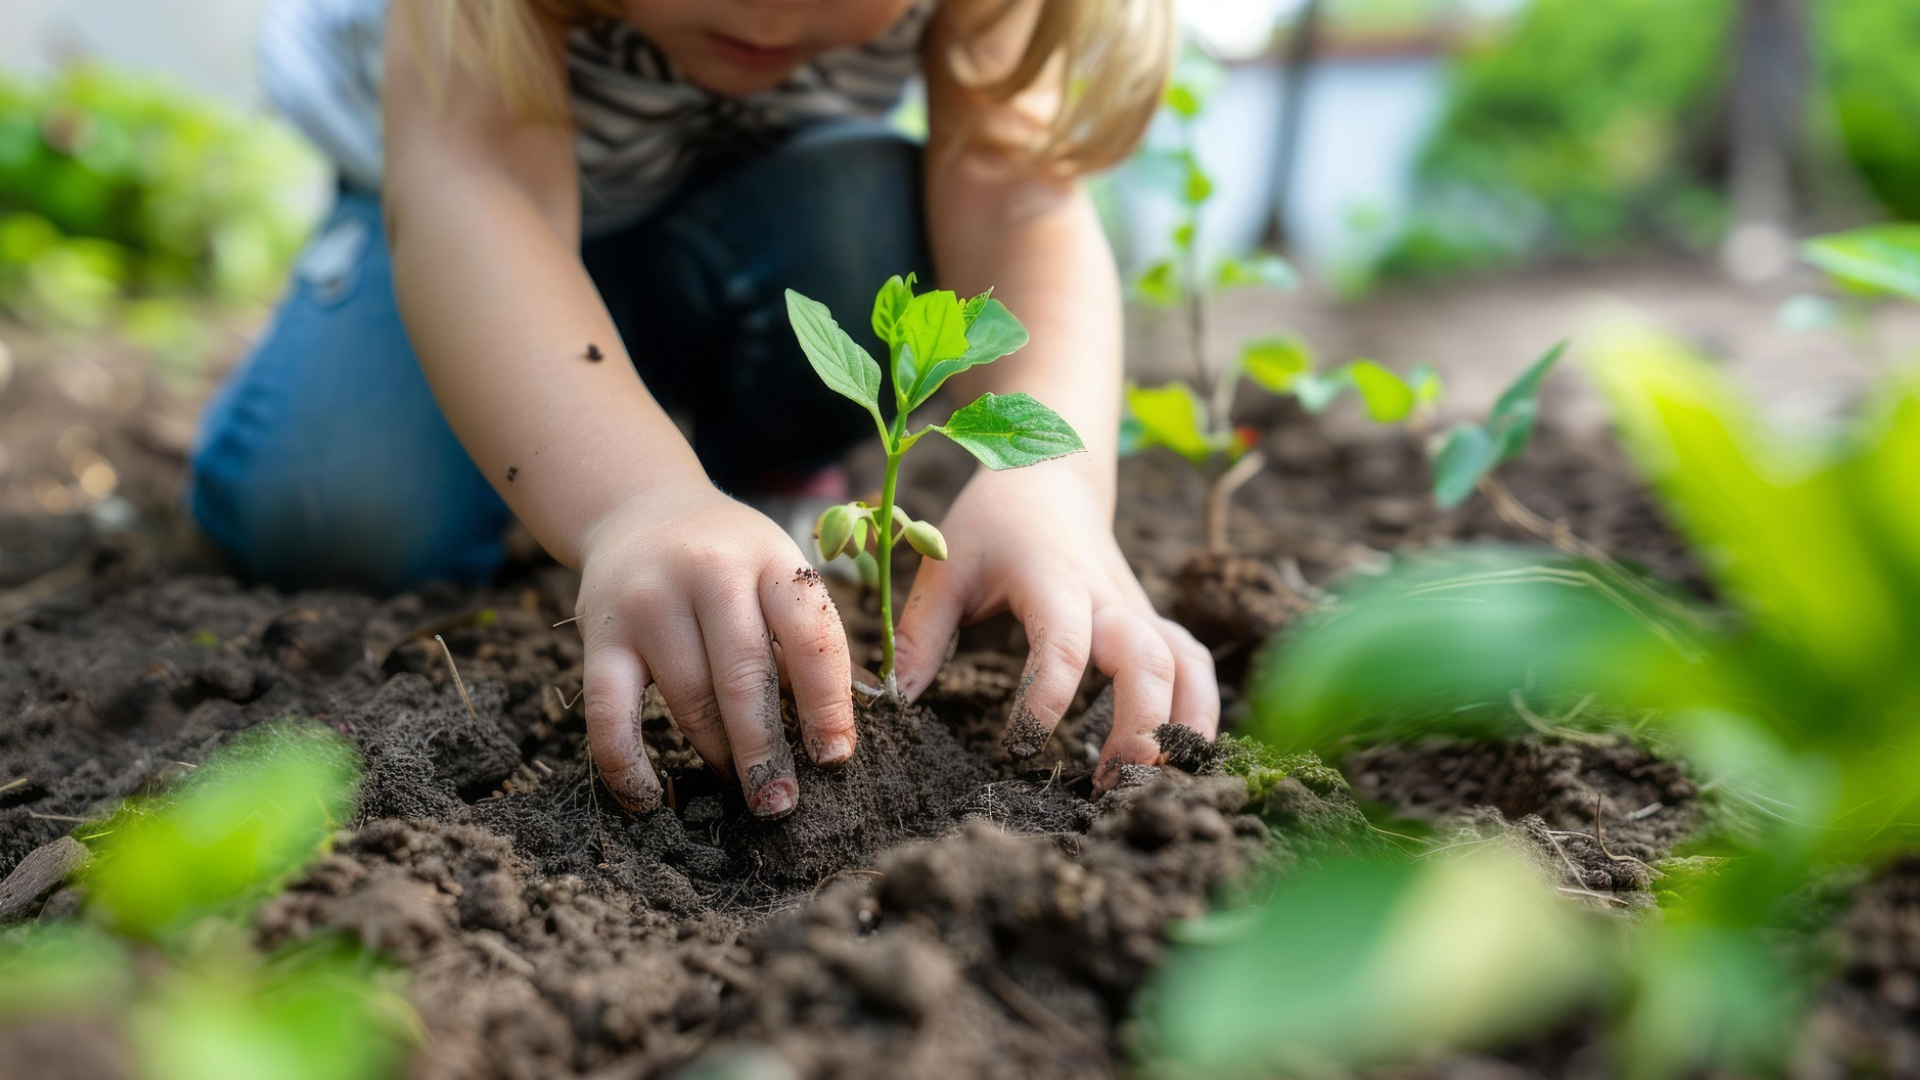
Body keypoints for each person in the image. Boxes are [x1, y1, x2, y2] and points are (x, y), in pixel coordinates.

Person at [189, 0, 1219, 820]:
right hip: (462, 207)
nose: (767, 15)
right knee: (332, 508)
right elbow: (476, 184)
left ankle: (733, 465)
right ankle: (567, 434)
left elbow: (1015, 190)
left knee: (860, 219)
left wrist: (1052, 487)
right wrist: (634, 503)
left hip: (754, 213)